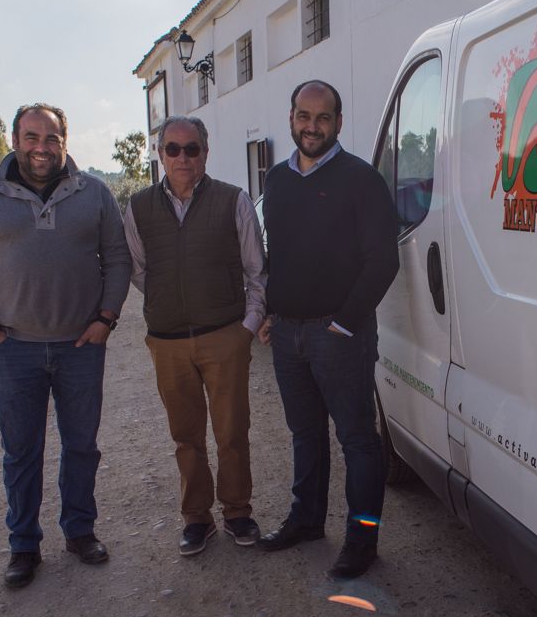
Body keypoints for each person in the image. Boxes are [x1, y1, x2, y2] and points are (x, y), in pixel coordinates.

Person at [0, 103, 131, 589]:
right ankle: (23, 545)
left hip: (81, 347)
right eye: (31, 137)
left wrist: (106, 320)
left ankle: (80, 531)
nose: (41, 148)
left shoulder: (94, 193)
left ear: (65, 141)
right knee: (21, 453)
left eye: (51, 138)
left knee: (82, 446)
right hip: (15, 351)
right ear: (14, 141)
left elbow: (117, 259)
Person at [256, 80, 399, 579]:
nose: (311, 126)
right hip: (288, 335)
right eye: (303, 115)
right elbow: (279, 255)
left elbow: (383, 261)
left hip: (339, 336)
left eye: (322, 117)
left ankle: (362, 540)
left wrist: (345, 322)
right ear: (291, 118)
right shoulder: (277, 180)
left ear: (338, 122)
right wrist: (272, 310)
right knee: (305, 434)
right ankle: (307, 521)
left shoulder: (362, 180)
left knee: (358, 440)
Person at [123, 116, 267, 557]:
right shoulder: (138, 208)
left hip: (224, 336)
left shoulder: (233, 200)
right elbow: (138, 270)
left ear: (206, 152)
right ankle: (196, 518)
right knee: (185, 436)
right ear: (160, 154)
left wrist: (246, 328)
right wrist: (168, 301)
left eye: (192, 148)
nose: (182, 157)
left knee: (232, 432)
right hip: (167, 342)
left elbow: (256, 270)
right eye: (173, 149)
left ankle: (237, 511)